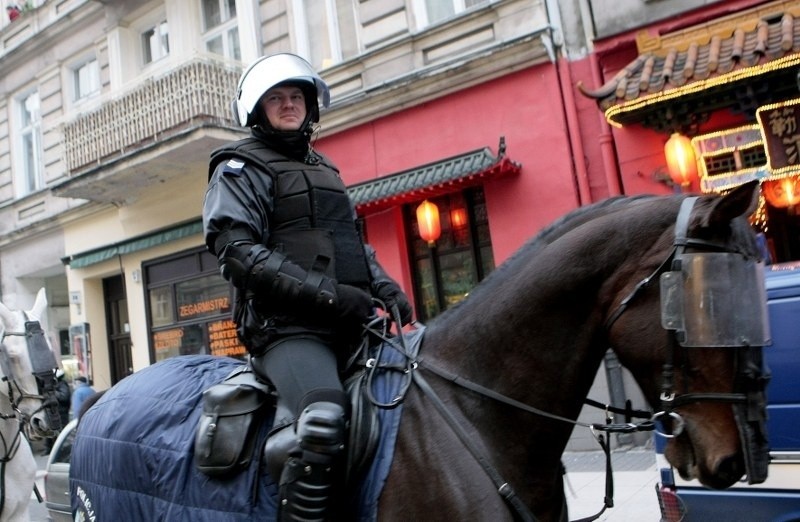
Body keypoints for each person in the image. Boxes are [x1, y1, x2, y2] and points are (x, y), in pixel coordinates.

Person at [203, 52, 412, 520]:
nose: (289, 104)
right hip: (286, 331)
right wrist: (331, 296)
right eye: (276, 98)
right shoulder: (239, 168)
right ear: (257, 109)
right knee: (322, 421)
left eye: (297, 96)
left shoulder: (326, 169)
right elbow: (238, 253)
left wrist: (385, 286)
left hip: (348, 325)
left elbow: (351, 247)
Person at [42, 369, 71, 454]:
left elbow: (64, 396)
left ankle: (62, 450)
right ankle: (49, 449)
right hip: (53, 412)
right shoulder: (54, 385)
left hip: (61, 413)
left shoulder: (62, 384)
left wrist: (53, 393)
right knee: (49, 430)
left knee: (61, 432)